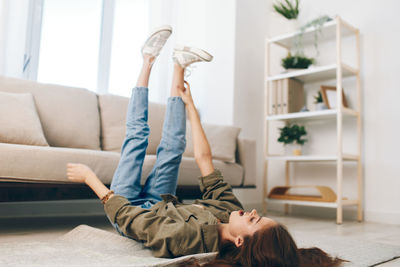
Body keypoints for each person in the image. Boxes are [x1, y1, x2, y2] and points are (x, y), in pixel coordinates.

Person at [66, 25, 344, 267]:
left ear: (238, 241)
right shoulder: (229, 210)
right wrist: (191, 107)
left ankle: (148, 59)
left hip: (128, 207)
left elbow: (130, 219)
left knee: (137, 138)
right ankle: (179, 65)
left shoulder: (187, 241)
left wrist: (90, 178)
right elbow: (204, 159)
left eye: (254, 221)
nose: (255, 212)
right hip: (161, 201)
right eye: (261, 216)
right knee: (175, 146)